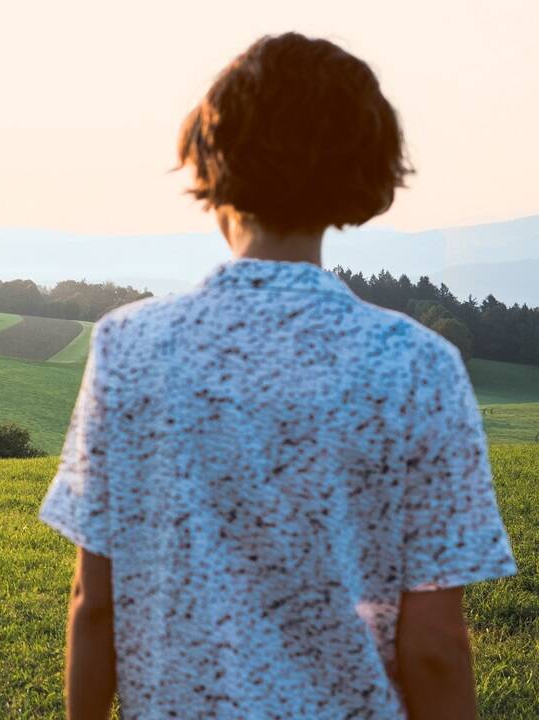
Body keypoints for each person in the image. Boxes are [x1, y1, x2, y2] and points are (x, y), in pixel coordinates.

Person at [38, 32, 515, 719]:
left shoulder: (131, 346)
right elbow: (436, 644)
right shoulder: (417, 365)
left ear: (212, 159)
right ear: (366, 169)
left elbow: (96, 603)